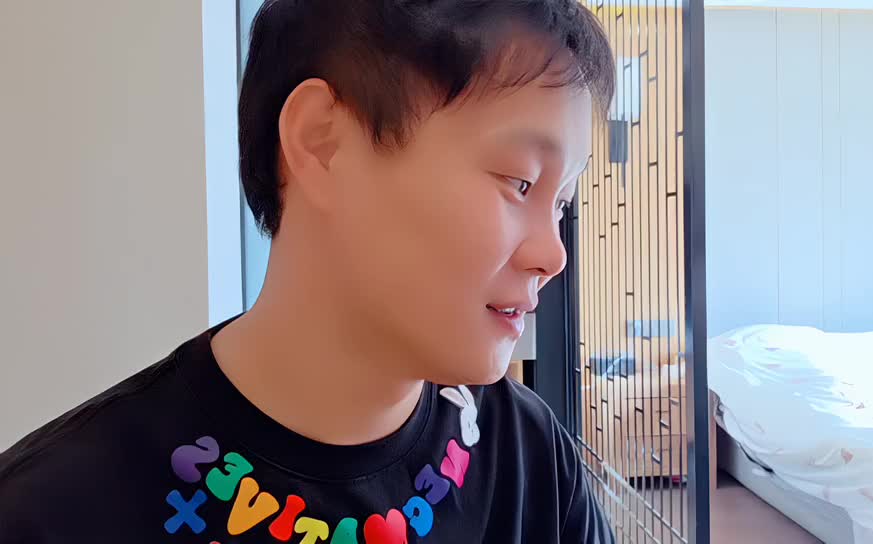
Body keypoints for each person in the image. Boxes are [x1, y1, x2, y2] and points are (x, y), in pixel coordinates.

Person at [0, 0, 615, 541]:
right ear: (323, 143)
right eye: (519, 182)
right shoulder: (53, 512)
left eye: (561, 203)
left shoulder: (530, 460)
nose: (553, 255)